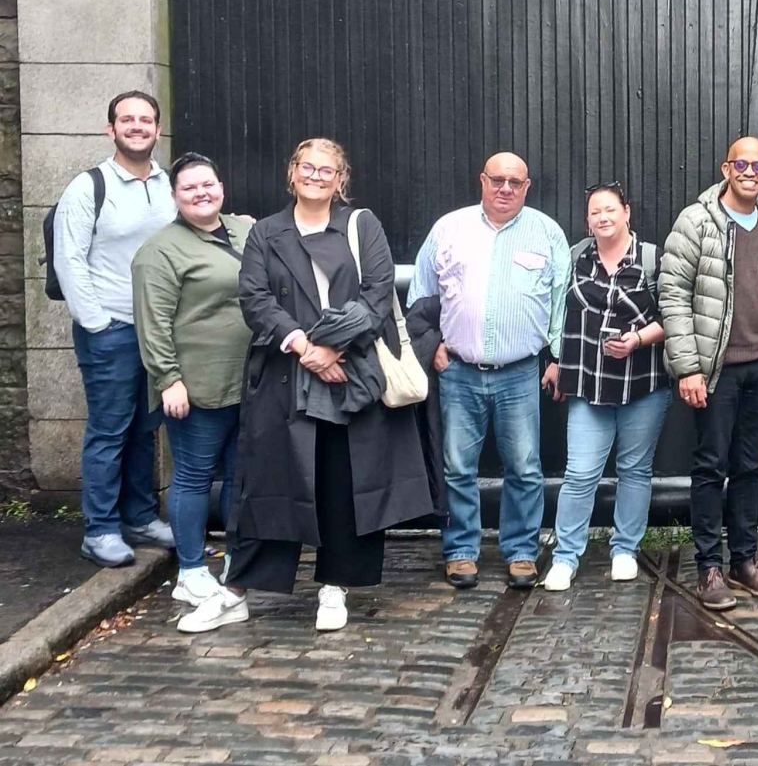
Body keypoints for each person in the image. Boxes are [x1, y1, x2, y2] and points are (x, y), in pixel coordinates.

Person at [177, 139, 434, 633]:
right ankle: (237, 590)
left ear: (341, 179)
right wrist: (303, 346)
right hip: (284, 375)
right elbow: (255, 298)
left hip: (350, 372)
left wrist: (332, 349)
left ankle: (335, 587)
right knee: (268, 486)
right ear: (292, 172)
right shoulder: (265, 233)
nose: (316, 176)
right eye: (307, 167)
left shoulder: (362, 225)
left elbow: (376, 295)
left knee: (342, 482)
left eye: (327, 169)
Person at [408, 152, 572, 590]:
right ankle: (460, 551)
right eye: (497, 180)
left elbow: (561, 304)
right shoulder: (449, 229)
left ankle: (521, 551)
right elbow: (420, 296)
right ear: (482, 180)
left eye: (515, 182)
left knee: (525, 466)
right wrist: (431, 346)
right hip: (457, 371)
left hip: (520, 372)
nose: (505, 189)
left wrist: (557, 358)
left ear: (527, 187)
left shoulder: (547, 233)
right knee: (457, 466)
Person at [659, 137, 758, 610]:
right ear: (726, 168)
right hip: (715, 370)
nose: (749, 172)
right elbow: (672, 293)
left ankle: (744, 562)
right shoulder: (696, 221)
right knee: (711, 466)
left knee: (749, 468)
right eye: (741, 164)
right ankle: (709, 568)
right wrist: (688, 367)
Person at [54, 90, 177, 567]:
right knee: (109, 431)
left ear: (157, 130)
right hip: (111, 330)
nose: (137, 126)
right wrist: (98, 324)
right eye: (127, 119)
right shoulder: (89, 187)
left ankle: (139, 517)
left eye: (146, 119)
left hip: (157, 331)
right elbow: (69, 260)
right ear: (111, 130)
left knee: (145, 430)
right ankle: (100, 529)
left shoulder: (168, 185)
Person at [130, 154, 253, 605]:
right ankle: (191, 570)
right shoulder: (159, 252)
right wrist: (168, 380)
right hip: (196, 387)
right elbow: (152, 323)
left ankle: (237, 560)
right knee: (194, 477)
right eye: (189, 188)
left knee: (241, 477)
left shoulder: (245, 231)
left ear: (221, 187)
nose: (201, 193)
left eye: (208, 184)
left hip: (249, 381)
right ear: (174, 196)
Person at [541, 182, 671, 591]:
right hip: (587, 383)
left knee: (634, 470)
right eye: (595, 211)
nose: (603, 217)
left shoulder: (652, 259)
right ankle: (565, 556)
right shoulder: (576, 257)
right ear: (587, 220)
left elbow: (674, 316)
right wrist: (555, 359)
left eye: (610, 209)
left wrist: (637, 340)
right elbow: (558, 311)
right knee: (580, 473)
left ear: (626, 212)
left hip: (642, 384)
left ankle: (625, 550)